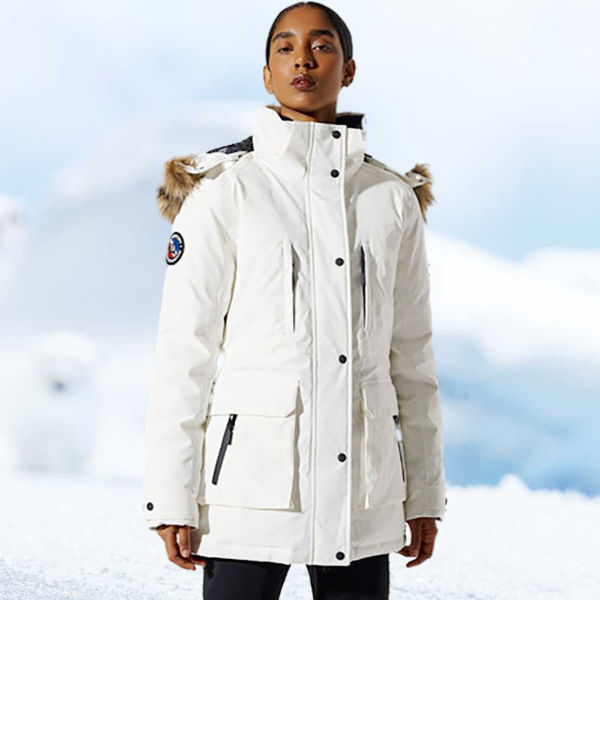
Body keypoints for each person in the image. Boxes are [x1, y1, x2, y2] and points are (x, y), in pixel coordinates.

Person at [142, 1, 448, 599]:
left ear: (349, 69)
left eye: (322, 46)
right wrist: (170, 493)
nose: (302, 59)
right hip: (249, 497)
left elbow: (412, 359)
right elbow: (185, 350)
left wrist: (424, 494)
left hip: (364, 500)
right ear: (267, 74)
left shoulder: (391, 199)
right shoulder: (224, 189)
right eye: (285, 48)